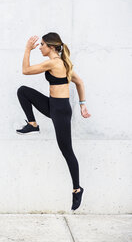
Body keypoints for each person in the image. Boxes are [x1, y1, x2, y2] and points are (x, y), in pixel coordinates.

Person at [16, 32, 91, 211]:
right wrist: (82, 104)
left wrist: (27, 49)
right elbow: (79, 82)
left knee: (67, 151)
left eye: (42, 45)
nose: (39, 47)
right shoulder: (64, 63)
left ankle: (77, 188)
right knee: (23, 91)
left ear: (50, 47)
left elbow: (25, 70)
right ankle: (33, 124)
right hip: (53, 104)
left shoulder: (54, 62)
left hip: (61, 110)